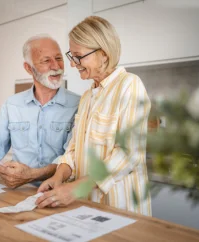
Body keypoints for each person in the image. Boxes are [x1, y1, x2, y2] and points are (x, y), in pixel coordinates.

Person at [36, 16, 152, 216]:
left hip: (120, 209)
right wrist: (59, 176)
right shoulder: (88, 96)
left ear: (104, 54)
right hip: (89, 206)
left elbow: (128, 154)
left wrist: (77, 188)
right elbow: (73, 149)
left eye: (79, 56)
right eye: (72, 56)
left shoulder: (130, 85)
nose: (73, 64)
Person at [0, 35, 80, 189]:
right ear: (28, 68)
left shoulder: (79, 105)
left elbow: (73, 159)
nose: (56, 66)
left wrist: (32, 174)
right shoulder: (12, 104)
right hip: (20, 191)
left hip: (61, 192)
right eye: (46, 61)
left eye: (58, 58)